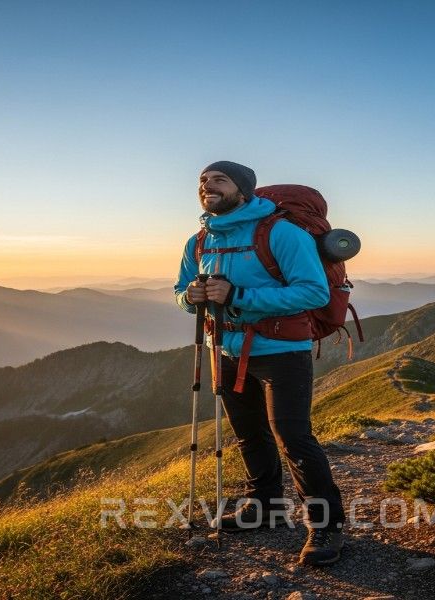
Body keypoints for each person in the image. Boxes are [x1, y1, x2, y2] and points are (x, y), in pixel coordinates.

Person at [174, 160, 345, 566]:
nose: (207, 186)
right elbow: (181, 288)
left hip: (281, 352)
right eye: (203, 181)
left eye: (219, 180)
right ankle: (264, 506)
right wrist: (190, 299)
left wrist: (238, 296)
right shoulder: (199, 241)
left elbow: (314, 293)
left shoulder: (280, 233)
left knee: (294, 438)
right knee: (249, 435)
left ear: (244, 189)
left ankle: (326, 525)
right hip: (227, 350)